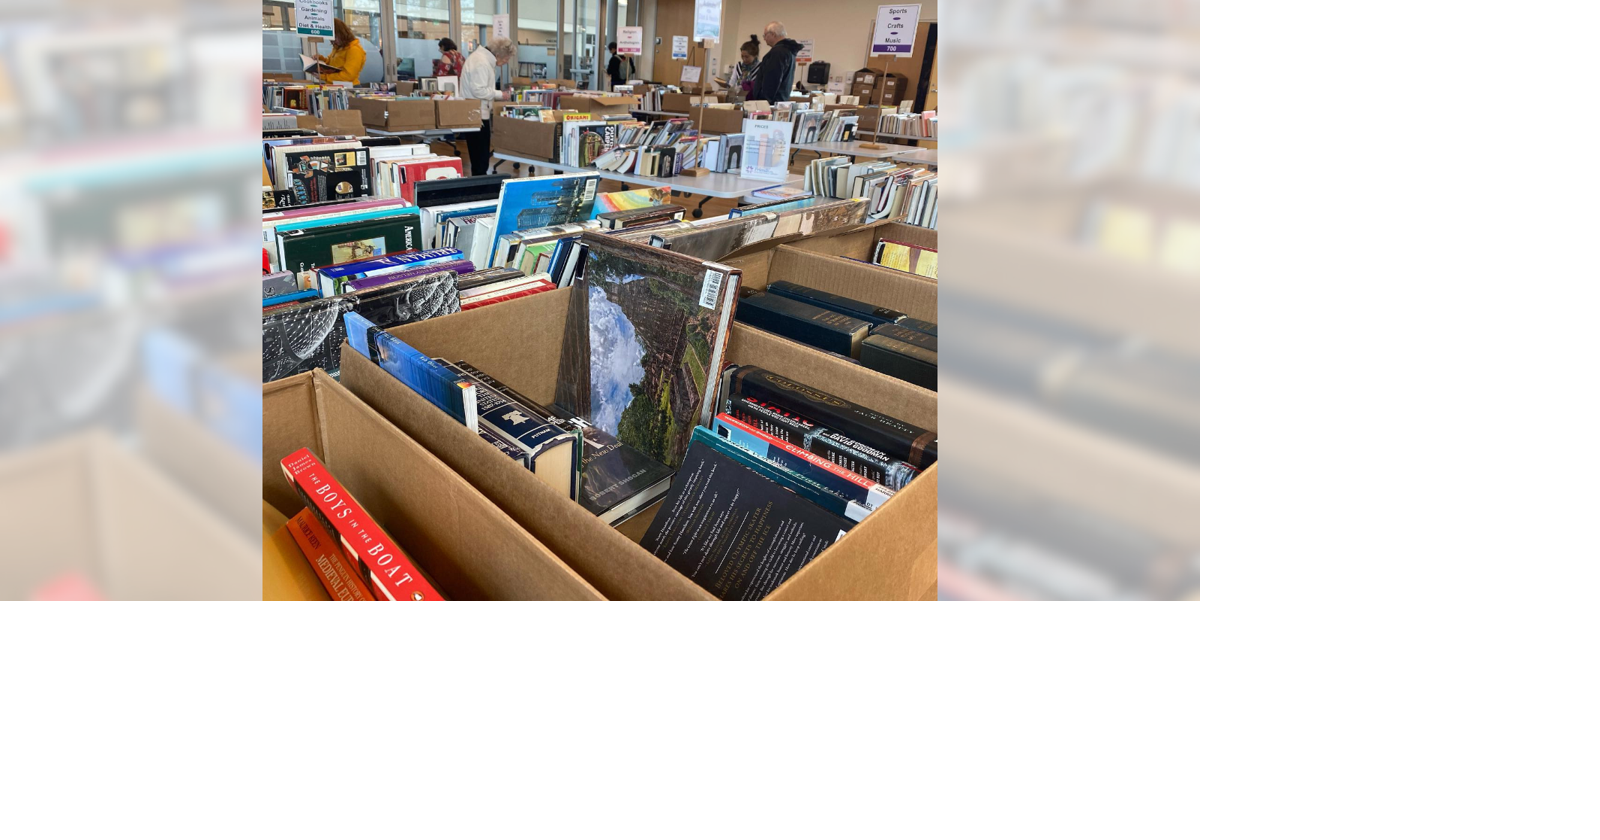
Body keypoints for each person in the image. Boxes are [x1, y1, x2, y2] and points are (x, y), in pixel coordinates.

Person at [462, 37, 516, 176]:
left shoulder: (481, 58)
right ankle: (480, 188)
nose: (506, 62)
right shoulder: (481, 62)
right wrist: (500, 95)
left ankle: (479, 185)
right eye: (506, 59)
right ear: (498, 55)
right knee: (480, 156)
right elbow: (478, 90)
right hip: (477, 113)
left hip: (475, 111)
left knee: (479, 154)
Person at [752, 21, 802, 105]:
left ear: (773, 34)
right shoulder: (788, 51)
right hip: (781, 101)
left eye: (765, 35)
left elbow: (772, 80)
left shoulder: (777, 53)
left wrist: (763, 102)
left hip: (770, 104)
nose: (764, 38)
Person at [313, 19, 366, 84]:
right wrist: (321, 59)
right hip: (335, 86)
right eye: (331, 38)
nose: (333, 40)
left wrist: (325, 77)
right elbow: (332, 65)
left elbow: (348, 76)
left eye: (335, 37)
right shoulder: (338, 47)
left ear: (342, 33)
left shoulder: (354, 50)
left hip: (348, 88)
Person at [728, 35, 760, 102]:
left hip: (752, 99)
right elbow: (732, 82)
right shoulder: (738, 66)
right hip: (737, 98)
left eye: (747, 57)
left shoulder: (760, 67)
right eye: (742, 56)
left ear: (755, 55)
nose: (744, 59)